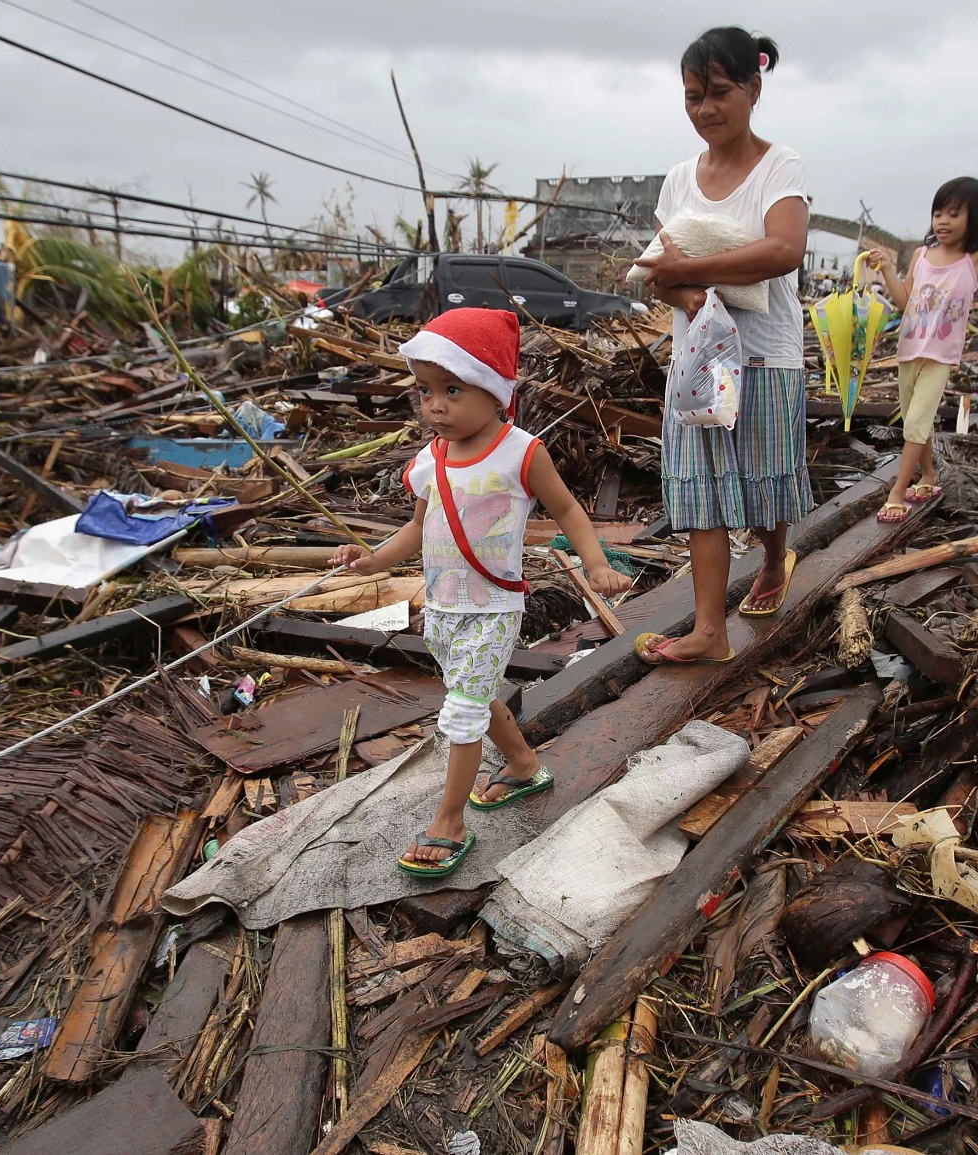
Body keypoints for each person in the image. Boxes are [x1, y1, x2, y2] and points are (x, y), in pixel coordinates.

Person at [331, 308, 631, 878]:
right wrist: (370, 562)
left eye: (452, 389)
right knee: (478, 692)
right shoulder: (430, 460)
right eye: (425, 391)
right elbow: (417, 530)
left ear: (494, 393)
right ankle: (521, 765)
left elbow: (567, 508)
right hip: (442, 606)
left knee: (462, 709)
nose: (436, 405)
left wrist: (595, 563)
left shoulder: (521, 452)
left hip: (492, 607)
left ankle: (449, 821)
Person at [632, 26, 812, 664]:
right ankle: (711, 632)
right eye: (691, 96)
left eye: (718, 93)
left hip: (764, 356)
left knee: (763, 489)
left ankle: (772, 555)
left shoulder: (779, 166)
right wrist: (689, 295)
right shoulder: (679, 179)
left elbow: (784, 250)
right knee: (701, 489)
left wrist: (692, 274)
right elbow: (663, 272)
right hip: (702, 358)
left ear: (754, 87)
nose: (704, 109)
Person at [864, 176, 978, 524]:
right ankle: (929, 475)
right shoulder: (920, 255)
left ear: (974, 218)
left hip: (940, 355)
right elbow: (905, 302)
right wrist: (887, 269)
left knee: (916, 422)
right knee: (917, 421)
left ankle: (897, 492)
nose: (942, 221)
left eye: (953, 214)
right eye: (938, 214)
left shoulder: (974, 258)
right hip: (909, 350)